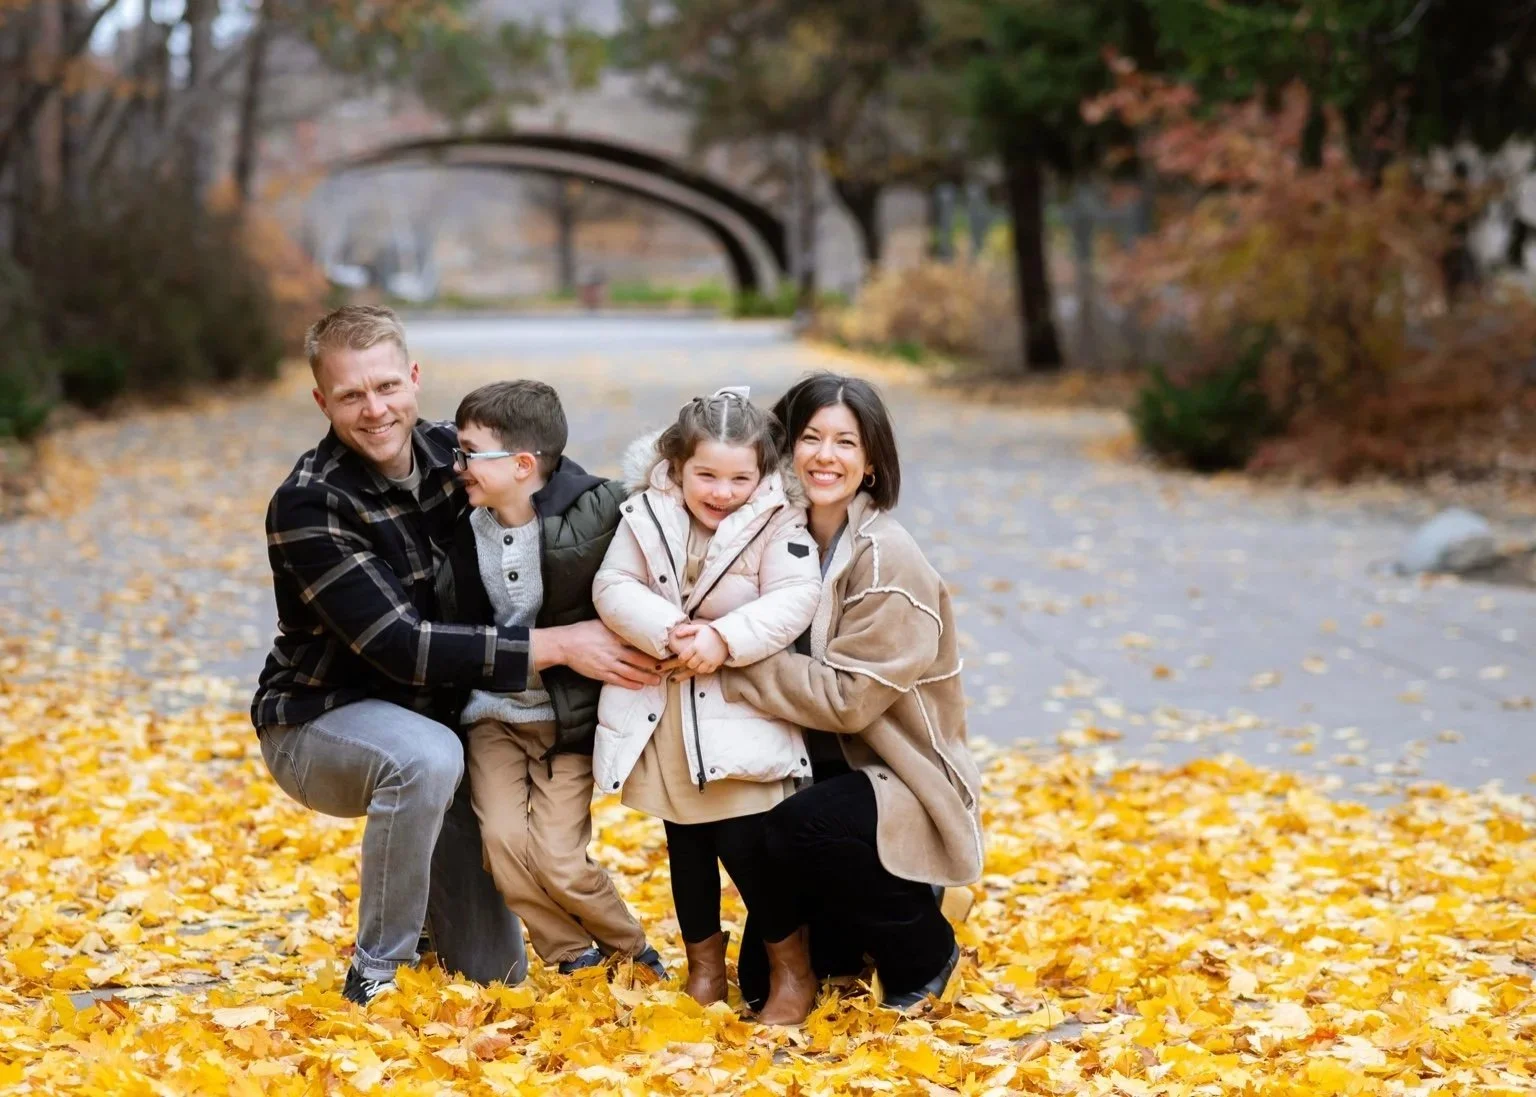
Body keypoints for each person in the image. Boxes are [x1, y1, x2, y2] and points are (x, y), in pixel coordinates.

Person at [251, 305, 659, 1006]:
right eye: (351, 395)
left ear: (413, 379)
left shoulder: (463, 457)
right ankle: (377, 968)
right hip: (322, 720)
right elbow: (402, 647)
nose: (374, 409)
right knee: (422, 756)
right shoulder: (309, 504)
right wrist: (560, 645)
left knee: (494, 973)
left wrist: (691, 513)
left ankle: (447, 929)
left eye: (386, 386)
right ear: (322, 400)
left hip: (447, 722)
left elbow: (577, 503)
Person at [727, 372, 984, 1014]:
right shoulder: (774, 536)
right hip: (811, 763)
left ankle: (924, 947)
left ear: (871, 462)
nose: (825, 456)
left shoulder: (887, 559)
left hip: (897, 773)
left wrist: (731, 659)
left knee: (800, 828)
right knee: (761, 981)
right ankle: (846, 940)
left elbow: (846, 702)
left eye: (846, 442)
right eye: (810, 437)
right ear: (784, 450)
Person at [591, 388, 822, 1024]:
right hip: (665, 712)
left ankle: (792, 971)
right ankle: (705, 972)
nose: (722, 492)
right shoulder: (646, 512)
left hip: (735, 709)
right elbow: (613, 585)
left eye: (739, 478)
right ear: (676, 465)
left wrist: (721, 638)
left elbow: (794, 596)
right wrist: (667, 630)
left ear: (763, 473)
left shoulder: (778, 521)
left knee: (749, 848)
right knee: (686, 846)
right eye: (707, 476)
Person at [436, 379, 664, 978]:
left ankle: (632, 948)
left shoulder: (597, 510)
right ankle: (572, 954)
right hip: (492, 717)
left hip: (567, 721)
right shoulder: (460, 526)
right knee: (506, 849)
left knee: (560, 860)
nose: (456, 466)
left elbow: (666, 504)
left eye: (468, 453)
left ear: (521, 464)